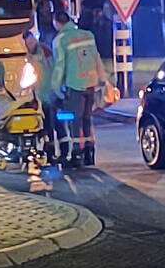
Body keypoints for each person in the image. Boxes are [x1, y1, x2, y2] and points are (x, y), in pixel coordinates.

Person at [51, 11, 107, 168]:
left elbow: (59, 66)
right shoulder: (88, 35)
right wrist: (102, 79)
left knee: (74, 121)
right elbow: (96, 57)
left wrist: (56, 88)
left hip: (74, 85)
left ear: (56, 23)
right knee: (87, 118)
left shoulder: (60, 40)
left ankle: (77, 154)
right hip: (90, 84)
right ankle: (90, 153)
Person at [23, 30, 62, 160]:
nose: (31, 43)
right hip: (35, 94)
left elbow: (54, 68)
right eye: (28, 41)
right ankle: (47, 149)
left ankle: (54, 150)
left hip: (48, 93)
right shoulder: (25, 55)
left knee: (52, 123)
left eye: (31, 40)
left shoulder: (44, 51)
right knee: (43, 124)